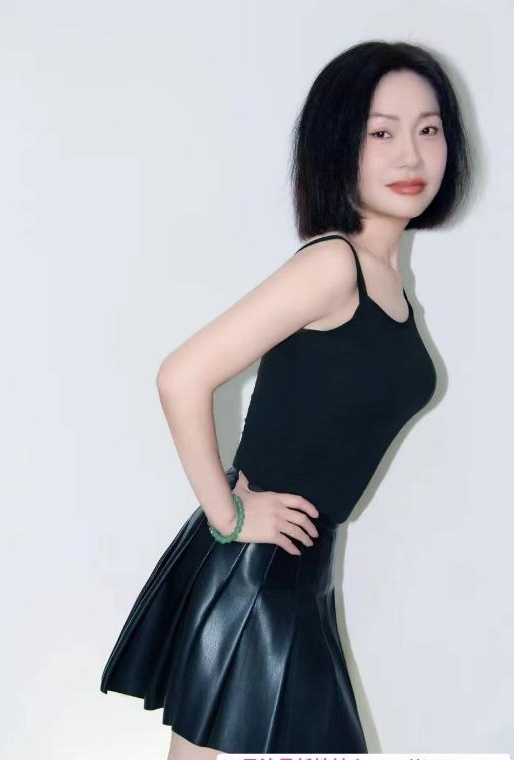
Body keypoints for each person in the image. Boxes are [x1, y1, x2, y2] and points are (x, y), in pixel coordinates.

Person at [100, 40, 473, 758]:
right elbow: (182, 376)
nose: (410, 155)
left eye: (428, 129)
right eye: (381, 132)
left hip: (301, 572)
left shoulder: (388, 280)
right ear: (338, 144)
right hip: (257, 573)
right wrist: (229, 515)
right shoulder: (333, 265)